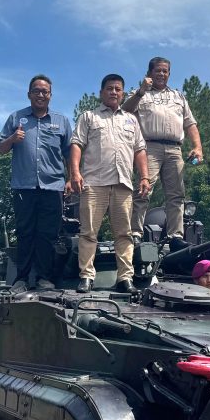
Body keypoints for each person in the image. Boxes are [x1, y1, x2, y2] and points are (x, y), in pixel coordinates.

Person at [69, 74, 150, 293]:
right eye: (109, 88)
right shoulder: (89, 117)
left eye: (118, 89)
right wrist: (75, 172)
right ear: (101, 92)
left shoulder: (131, 120)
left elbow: (140, 150)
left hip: (123, 183)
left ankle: (125, 278)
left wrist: (144, 177)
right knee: (88, 233)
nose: (114, 92)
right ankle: (86, 276)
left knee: (124, 234)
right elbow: (76, 144)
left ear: (123, 93)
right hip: (94, 183)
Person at [0, 75, 73, 292]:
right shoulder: (16, 118)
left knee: (48, 235)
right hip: (24, 186)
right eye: (36, 91)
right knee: (25, 232)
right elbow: (0, 149)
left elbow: (70, 153)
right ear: (29, 94)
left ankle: (43, 278)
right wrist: (12, 139)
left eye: (45, 91)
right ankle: (21, 279)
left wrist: (71, 177)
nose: (40, 95)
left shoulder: (61, 121)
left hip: (53, 186)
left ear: (50, 95)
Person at [123, 57, 204, 246]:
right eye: (157, 70)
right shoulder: (140, 93)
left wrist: (198, 147)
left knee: (177, 195)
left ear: (169, 74)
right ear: (150, 73)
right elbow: (124, 111)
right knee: (143, 190)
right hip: (149, 147)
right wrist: (141, 91)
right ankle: (135, 233)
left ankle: (176, 236)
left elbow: (190, 123)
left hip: (175, 148)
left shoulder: (178, 96)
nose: (161, 74)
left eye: (165, 71)